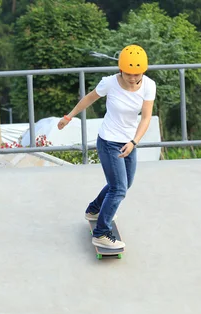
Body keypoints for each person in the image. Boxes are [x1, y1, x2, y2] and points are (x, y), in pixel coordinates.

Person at [57, 44, 156, 250]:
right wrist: (69, 116)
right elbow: (89, 98)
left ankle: (94, 210)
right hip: (109, 141)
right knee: (118, 188)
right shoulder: (110, 83)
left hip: (130, 142)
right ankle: (101, 233)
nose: (132, 78)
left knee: (124, 184)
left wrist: (134, 142)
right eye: (128, 73)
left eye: (136, 74)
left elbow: (146, 117)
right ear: (121, 69)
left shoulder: (148, 86)